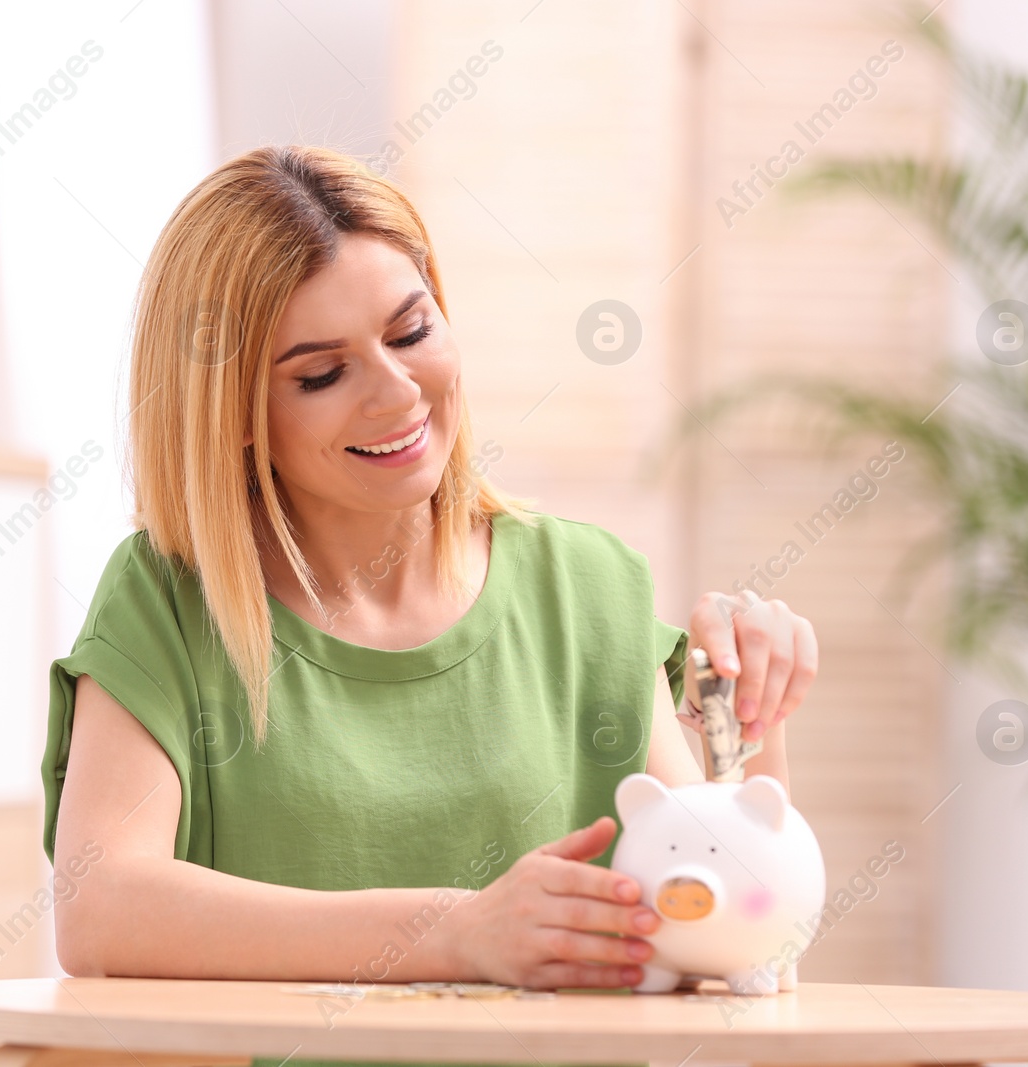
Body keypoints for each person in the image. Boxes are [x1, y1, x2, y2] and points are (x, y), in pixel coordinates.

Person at [40, 145, 818, 1017]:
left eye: (412, 332)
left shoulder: (587, 589)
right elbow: (98, 905)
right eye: (322, 373)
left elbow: (734, 932)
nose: (397, 390)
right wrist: (453, 933)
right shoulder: (169, 604)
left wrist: (755, 716)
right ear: (237, 417)